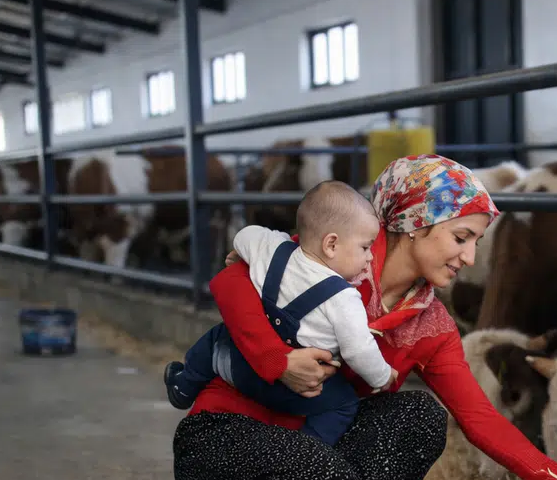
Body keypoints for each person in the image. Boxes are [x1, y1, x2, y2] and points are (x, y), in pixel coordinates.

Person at [171, 154, 557, 480]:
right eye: (461, 237)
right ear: (415, 224)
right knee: (321, 475)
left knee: (419, 416)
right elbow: (231, 281)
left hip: (311, 444)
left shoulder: (429, 323)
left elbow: (479, 416)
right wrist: (278, 361)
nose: (470, 257)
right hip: (226, 437)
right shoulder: (334, 254)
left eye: (476, 242)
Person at [162, 181, 394, 446]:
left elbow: (245, 234)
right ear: (331, 244)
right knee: (343, 405)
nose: (369, 258)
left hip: (238, 369)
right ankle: (305, 452)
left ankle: (184, 385)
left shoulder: (272, 248)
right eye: (365, 248)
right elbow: (359, 350)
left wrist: (244, 252)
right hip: (296, 390)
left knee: (218, 336)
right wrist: (383, 376)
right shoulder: (344, 297)